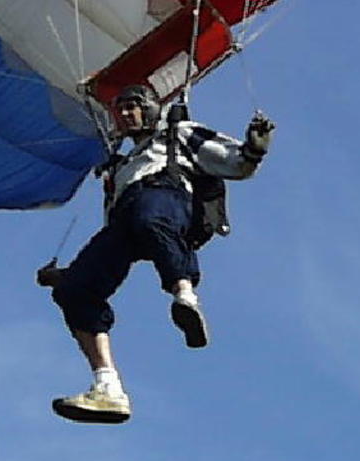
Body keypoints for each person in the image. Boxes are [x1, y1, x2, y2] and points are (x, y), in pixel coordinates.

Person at [37, 83, 275, 424]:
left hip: (166, 197)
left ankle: (185, 297)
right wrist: (68, 274)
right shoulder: (118, 167)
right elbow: (109, 233)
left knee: (149, 217)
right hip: (127, 218)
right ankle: (108, 387)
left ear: (150, 108)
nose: (125, 114)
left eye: (132, 106)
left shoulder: (178, 134)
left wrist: (254, 148)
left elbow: (236, 163)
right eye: (120, 109)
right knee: (73, 291)